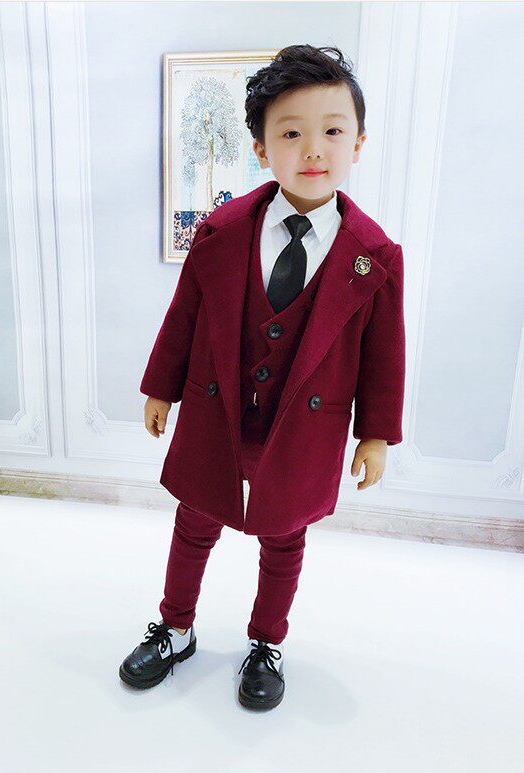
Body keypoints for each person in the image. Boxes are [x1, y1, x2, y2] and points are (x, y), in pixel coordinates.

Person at [119, 44, 406, 710]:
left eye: (332, 130)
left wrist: (375, 435)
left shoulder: (376, 256)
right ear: (260, 148)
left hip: (305, 424)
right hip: (217, 408)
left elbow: (383, 356)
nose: (314, 149)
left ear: (359, 143)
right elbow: (185, 315)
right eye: (291, 133)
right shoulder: (221, 231)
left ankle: (266, 642)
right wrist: (161, 386)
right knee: (195, 519)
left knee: (284, 536)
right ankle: (176, 627)